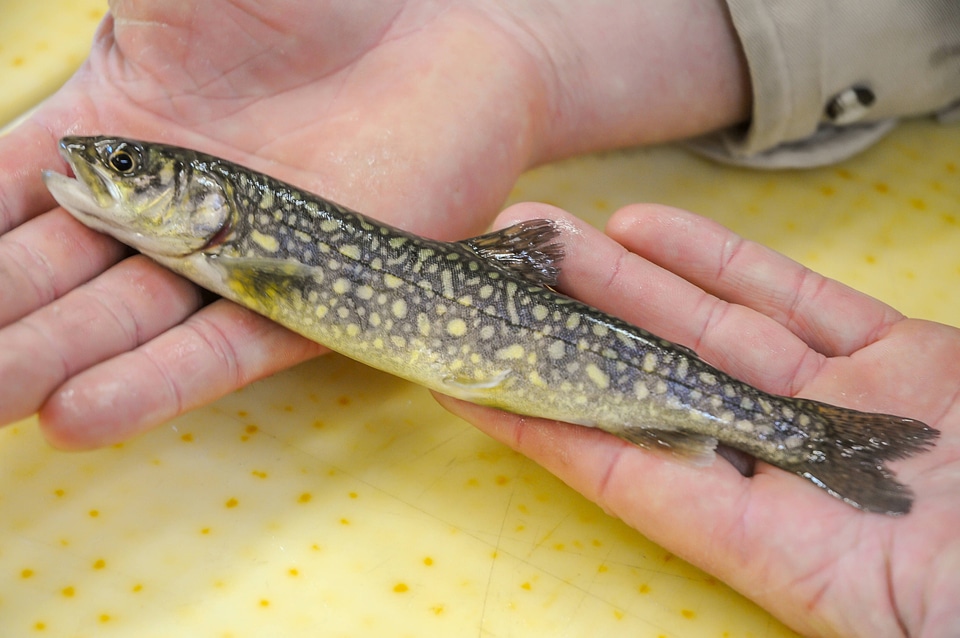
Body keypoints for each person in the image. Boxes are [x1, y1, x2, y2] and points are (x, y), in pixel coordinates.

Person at [0, 2, 957, 636]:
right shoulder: (230, 235)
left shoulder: (237, 245)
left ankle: (807, 438)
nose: (102, 170)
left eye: (128, 173)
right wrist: (516, 41)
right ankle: (806, 437)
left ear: (208, 208)